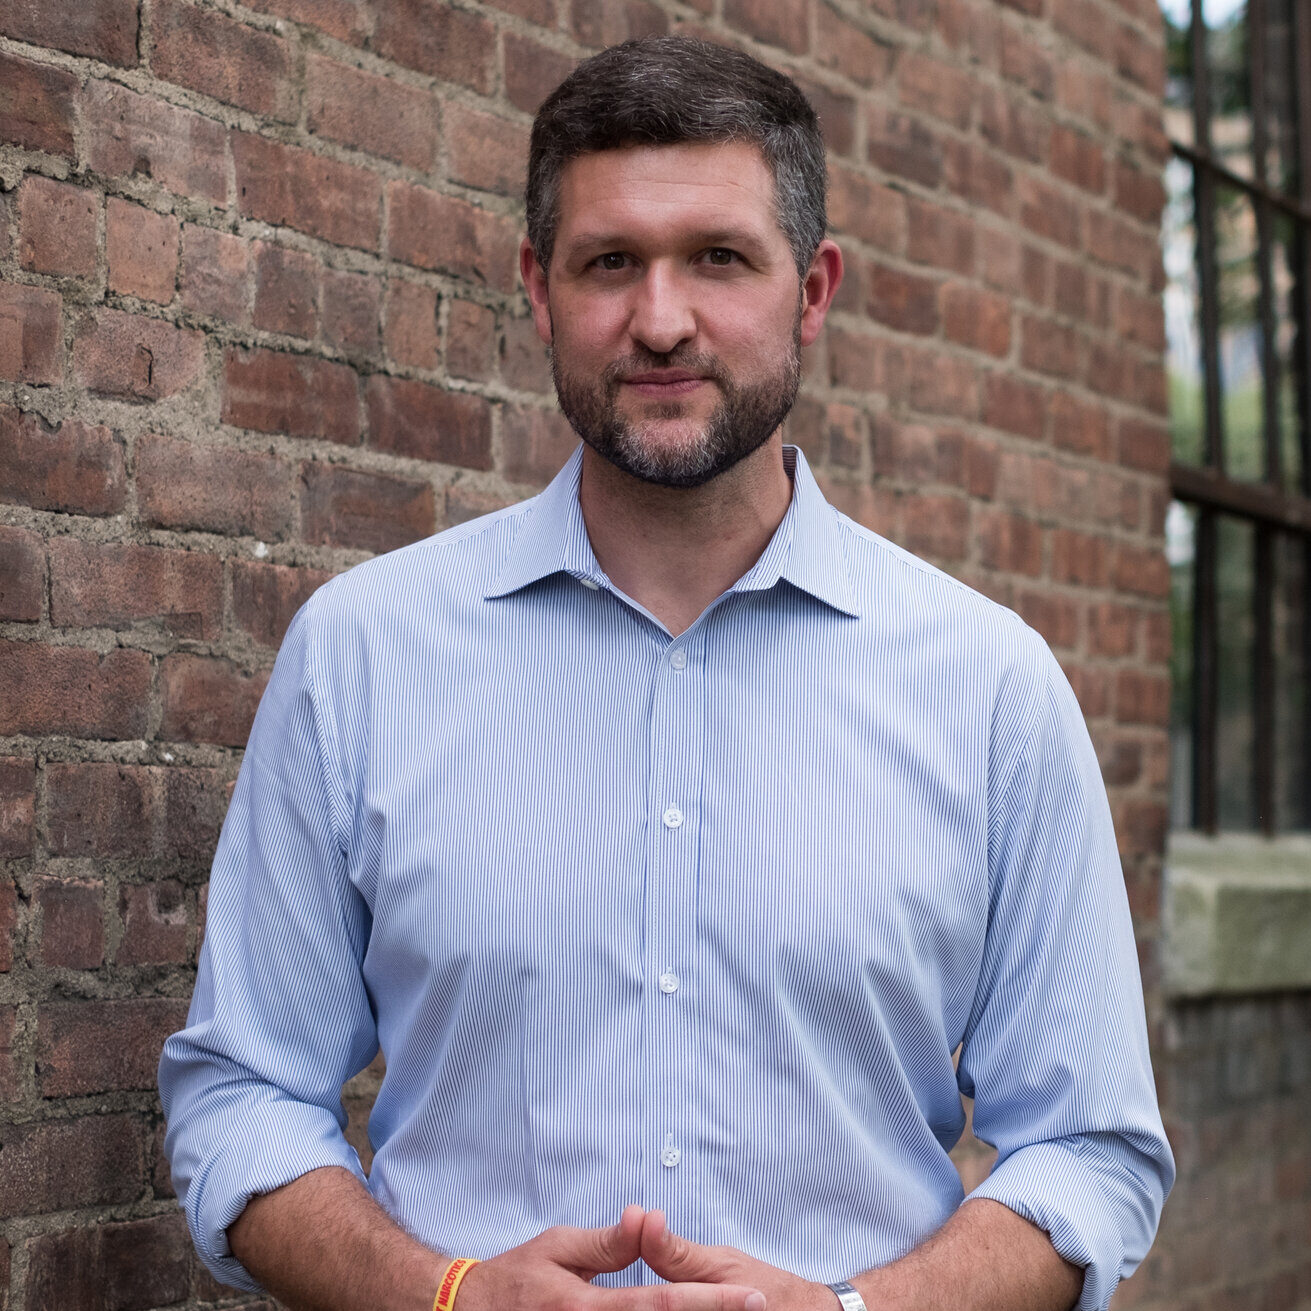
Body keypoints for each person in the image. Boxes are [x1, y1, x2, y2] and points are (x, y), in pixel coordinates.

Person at [159, 35, 1174, 1311]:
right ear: (539, 287)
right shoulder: (361, 653)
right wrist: (449, 1295)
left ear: (813, 292)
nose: (660, 319)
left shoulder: (990, 688)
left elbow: (1088, 1151)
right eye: (609, 263)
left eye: (718, 259)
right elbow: (244, 1093)